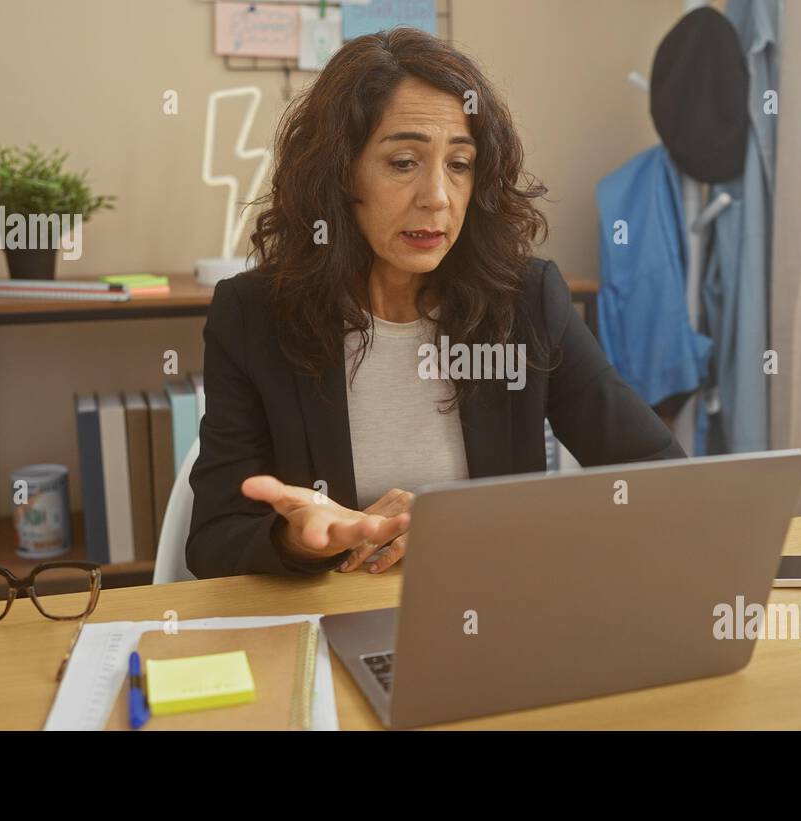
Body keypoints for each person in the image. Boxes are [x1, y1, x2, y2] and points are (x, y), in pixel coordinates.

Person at [187, 28, 683, 580]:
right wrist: (298, 541)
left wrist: (476, 528)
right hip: (332, 615)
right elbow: (212, 540)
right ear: (338, 171)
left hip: (486, 610)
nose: (437, 198)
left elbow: (658, 477)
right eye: (403, 162)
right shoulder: (254, 313)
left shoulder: (526, 302)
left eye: (460, 164)